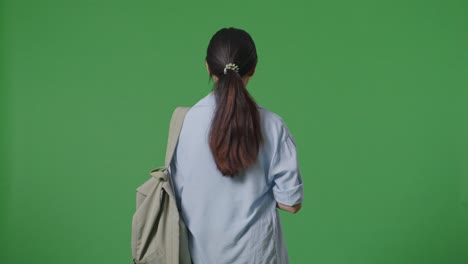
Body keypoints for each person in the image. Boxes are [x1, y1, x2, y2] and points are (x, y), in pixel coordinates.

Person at [168, 27, 304, 264]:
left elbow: (175, 196)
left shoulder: (183, 123)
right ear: (253, 69)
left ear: (208, 67)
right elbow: (290, 204)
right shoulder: (272, 125)